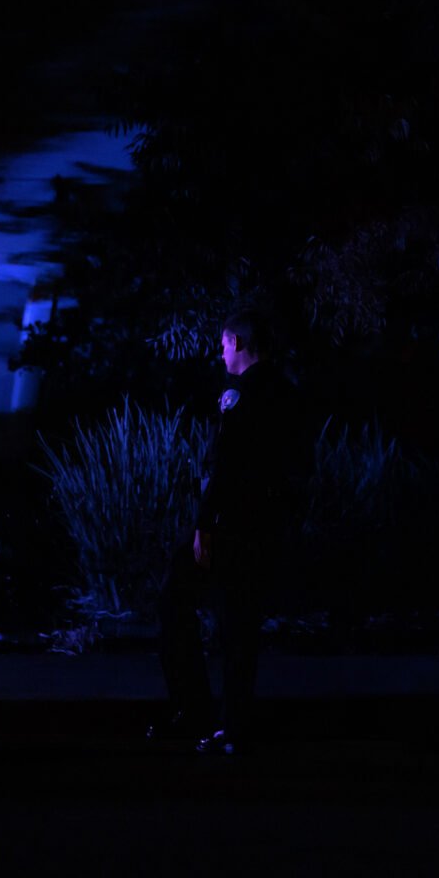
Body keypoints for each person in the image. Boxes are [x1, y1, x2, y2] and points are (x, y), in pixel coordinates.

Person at [149, 308, 303, 754]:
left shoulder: (242, 394)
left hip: (231, 529)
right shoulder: (286, 392)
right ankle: (227, 724)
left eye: (222, 344)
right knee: (239, 626)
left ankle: (201, 714)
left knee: (180, 603)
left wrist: (204, 525)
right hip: (264, 529)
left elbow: (228, 467)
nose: (219, 352)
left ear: (237, 342)